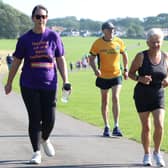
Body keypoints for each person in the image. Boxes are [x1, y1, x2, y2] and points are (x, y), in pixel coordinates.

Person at [4, 5, 70, 164]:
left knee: (50, 119)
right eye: (38, 17)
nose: (41, 20)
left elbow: (60, 59)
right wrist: (9, 82)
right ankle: (36, 152)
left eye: (44, 17)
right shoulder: (25, 39)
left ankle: (45, 138)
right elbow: (17, 61)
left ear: (47, 19)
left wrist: (66, 80)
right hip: (29, 83)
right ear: (33, 18)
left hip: (49, 83)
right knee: (35, 118)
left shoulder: (53, 37)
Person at [128, 28, 168, 167]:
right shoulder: (141, 56)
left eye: (158, 42)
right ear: (147, 42)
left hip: (158, 94)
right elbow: (130, 74)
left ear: (161, 42)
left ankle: (157, 153)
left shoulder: (165, 56)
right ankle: (146, 154)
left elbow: (167, 73)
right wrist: (140, 78)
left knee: (160, 124)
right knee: (146, 127)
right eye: (153, 42)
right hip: (142, 95)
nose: (156, 45)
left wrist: (167, 80)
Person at [89, 21, 128, 137]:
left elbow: (125, 55)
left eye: (113, 29)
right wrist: (95, 70)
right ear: (104, 31)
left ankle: (116, 126)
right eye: (109, 29)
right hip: (103, 76)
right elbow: (91, 58)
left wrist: (125, 69)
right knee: (105, 101)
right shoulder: (97, 43)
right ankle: (106, 126)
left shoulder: (119, 42)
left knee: (115, 97)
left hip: (116, 75)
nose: (112, 31)